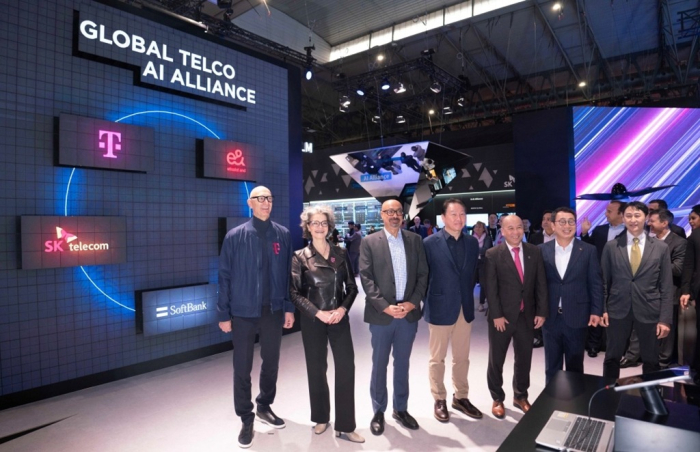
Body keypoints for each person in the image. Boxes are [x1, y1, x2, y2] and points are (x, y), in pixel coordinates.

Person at [217, 186, 295, 449]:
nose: (266, 202)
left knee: (271, 361)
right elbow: (224, 277)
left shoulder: (282, 235)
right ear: (250, 202)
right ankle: (246, 417)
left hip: (272, 311)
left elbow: (288, 276)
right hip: (242, 312)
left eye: (269, 198)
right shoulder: (235, 236)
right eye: (260, 198)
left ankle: (264, 405)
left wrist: (288, 308)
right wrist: (224, 313)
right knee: (242, 367)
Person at [290, 205, 364, 443]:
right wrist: (317, 313)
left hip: (339, 319)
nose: (320, 227)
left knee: (346, 368)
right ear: (307, 227)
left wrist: (342, 309)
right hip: (314, 321)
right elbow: (294, 293)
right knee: (316, 369)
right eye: (315, 223)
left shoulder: (340, 254)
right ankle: (321, 418)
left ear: (329, 227)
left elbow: (352, 288)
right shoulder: (299, 257)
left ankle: (346, 425)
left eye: (324, 223)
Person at [359, 199, 428, 435]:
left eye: (398, 211)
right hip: (382, 316)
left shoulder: (415, 240)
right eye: (389, 211)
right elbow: (366, 278)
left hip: (408, 314)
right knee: (379, 365)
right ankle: (378, 411)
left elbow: (423, 274)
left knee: (403, 364)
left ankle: (401, 409)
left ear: (403, 215)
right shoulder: (369, 242)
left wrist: (412, 302)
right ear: (382, 215)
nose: (394, 215)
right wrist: (385, 307)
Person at [423, 199, 483, 423]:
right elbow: (424, 276)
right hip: (439, 307)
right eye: (454, 214)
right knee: (437, 358)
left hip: (464, 307)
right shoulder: (429, 243)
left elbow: (471, 274)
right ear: (443, 218)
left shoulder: (471, 242)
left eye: (462, 214)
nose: (459, 218)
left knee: (462, 357)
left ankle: (461, 397)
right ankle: (439, 399)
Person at [600, 201, 673, 379]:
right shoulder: (611, 247)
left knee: (651, 359)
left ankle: (651, 402)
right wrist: (602, 309)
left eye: (637, 215)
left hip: (649, 309)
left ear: (646, 217)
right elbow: (603, 281)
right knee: (612, 357)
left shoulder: (661, 248)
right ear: (623, 218)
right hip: (617, 309)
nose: (633, 220)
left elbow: (666, 285)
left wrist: (665, 319)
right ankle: (608, 399)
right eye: (629, 216)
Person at [484, 215, 547, 419]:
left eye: (519, 227)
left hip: (526, 316)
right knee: (497, 359)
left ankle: (520, 395)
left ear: (524, 228)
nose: (515, 232)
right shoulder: (493, 254)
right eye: (510, 228)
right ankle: (497, 397)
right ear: (502, 231)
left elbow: (540, 284)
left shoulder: (534, 252)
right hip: (501, 317)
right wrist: (497, 315)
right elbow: (490, 288)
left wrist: (541, 311)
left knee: (524, 359)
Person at [539, 207, 603, 384]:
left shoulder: (588, 250)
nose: (567, 226)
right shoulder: (541, 250)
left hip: (577, 314)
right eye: (562, 222)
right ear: (552, 225)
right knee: (552, 365)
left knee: (575, 364)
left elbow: (596, 283)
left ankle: (575, 403)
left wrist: (596, 310)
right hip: (550, 316)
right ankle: (551, 402)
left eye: (571, 222)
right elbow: (537, 285)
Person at [580, 200, 626, 358]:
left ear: (621, 214)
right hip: (598, 277)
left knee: (618, 314)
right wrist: (585, 233)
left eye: (609, 211)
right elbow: (589, 249)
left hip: (621, 279)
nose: (605, 214)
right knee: (596, 309)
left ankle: (618, 347)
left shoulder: (630, 232)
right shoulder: (599, 230)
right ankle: (593, 345)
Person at [680, 207, 700, 384]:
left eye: (693, 218)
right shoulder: (694, 237)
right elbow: (688, 266)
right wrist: (686, 290)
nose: (690, 222)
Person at [472, 221, 493, 313]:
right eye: (476, 227)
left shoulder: (488, 238)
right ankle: (468, 303)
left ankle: (481, 303)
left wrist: (474, 250)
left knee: (483, 284)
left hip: (484, 263)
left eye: (480, 227)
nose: (477, 229)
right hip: (473, 263)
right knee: (470, 283)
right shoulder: (471, 238)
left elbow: (485, 250)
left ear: (484, 229)